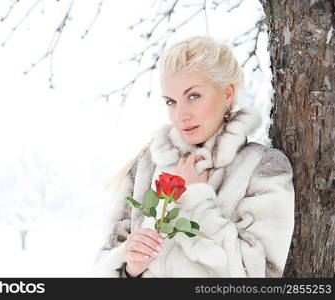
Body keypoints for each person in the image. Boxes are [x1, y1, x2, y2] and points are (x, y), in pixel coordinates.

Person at [92, 35, 295, 278]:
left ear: (227, 93)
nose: (181, 115)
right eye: (171, 101)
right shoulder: (145, 167)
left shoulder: (263, 168)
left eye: (194, 96)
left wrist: (198, 201)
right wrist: (130, 266)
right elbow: (104, 267)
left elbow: (258, 275)